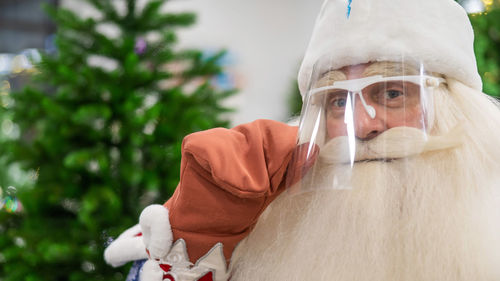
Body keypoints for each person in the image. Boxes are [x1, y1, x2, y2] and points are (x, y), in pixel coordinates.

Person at [105, 0, 500, 280]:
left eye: (393, 93)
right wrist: (198, 242)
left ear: (454, 104)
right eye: (337, 101)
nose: (361, 125)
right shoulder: (274, 220)